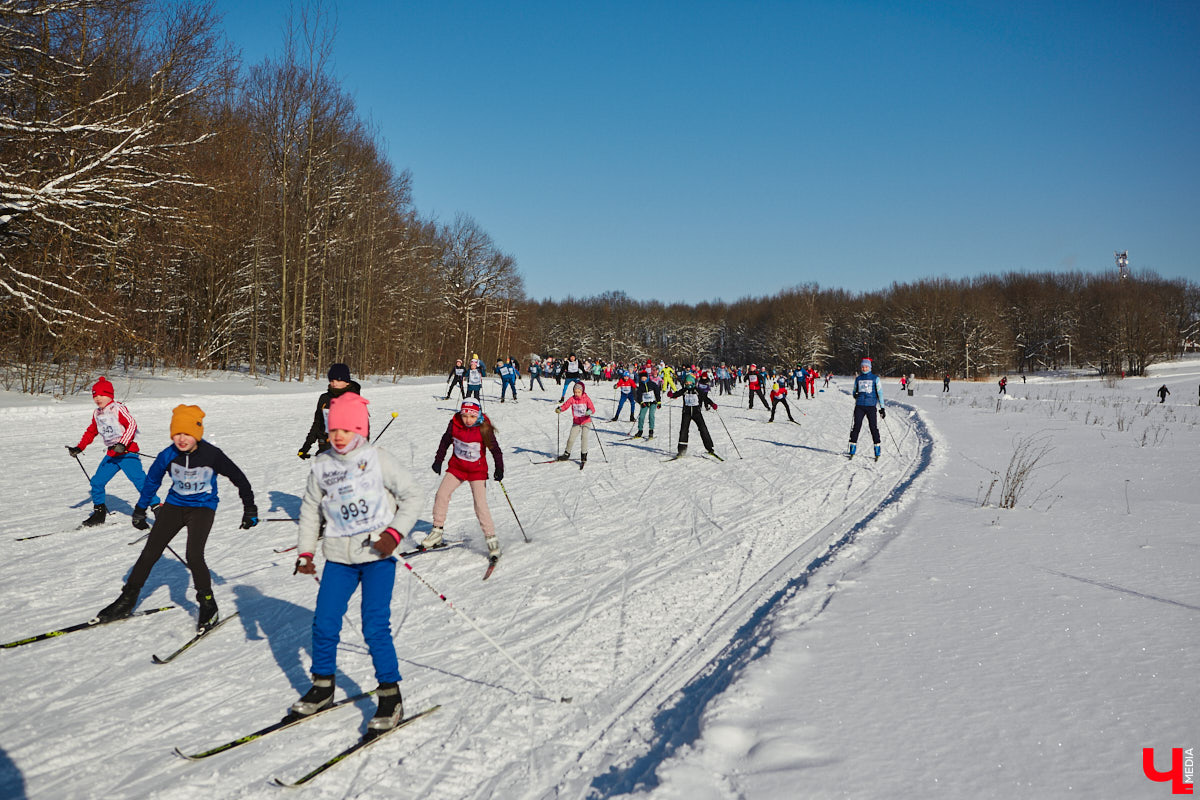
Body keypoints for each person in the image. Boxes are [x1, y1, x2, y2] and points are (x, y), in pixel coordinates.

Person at [289, 392, 420, 734]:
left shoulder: (378, 459)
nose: (338, 436)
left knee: (374, 626)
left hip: (377, 556)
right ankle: (322, 686)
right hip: (338, 558)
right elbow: (309, 510)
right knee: (324, 622)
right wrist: (305, 552)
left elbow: (412, 496)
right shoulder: (322, 465)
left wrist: (394, 534)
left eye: (345, 430)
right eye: (333, 430)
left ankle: (390, 695)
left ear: (359, 429)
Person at [96, 405, 258, 630]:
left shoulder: (212, 454)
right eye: (177, 433)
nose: (182, 439)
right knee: (150, 551)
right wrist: (141, 509)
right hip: (174, 506)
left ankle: (208, 604)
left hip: (202, 508)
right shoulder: (168, 454)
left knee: (194, 555)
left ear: (197, 433)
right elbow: (152, 481)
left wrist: (250, 509)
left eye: (187, 434)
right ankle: (127, 599)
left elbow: (239, 478)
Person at [68, 376, 160, 528]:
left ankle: (158, 509)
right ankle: (99, 514)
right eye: (95, 396)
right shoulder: (97, 413)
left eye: (101, 395)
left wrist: (123, 444)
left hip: (127, 453)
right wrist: (79, 447)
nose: (98, 398)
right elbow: (91, 431)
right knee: (97, 482)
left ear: (110, 395)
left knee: (140, 481)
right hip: (112, 455)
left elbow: (131, 425)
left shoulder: (118, 408)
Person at [426, 397, 504, 561]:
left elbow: (495, 450)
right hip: (457, 468)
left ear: (478, 415)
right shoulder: (454, 424)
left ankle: (491, 540)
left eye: (472, 416)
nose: (468, 420)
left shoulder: (483, 428)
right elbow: (445, 441)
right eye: (465, 416)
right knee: (441, 495)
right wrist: (438, 460)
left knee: (480, 504)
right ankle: (437, 531)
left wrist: (499, 468)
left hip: (477, 471)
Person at [299, 363, 363, 459]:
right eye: (332, 380)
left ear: (347, 382)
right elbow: (317, 424)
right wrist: (306, 446)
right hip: (325, 448)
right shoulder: (324, 399)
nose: (334, 383)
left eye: (338, 380)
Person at [668, 372, 718, 458]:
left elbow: (705, 398)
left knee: (703, 428)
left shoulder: (697, 390)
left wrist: (712, 404)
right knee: (684, 430)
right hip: (686, 413)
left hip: (696, 413)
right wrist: (672, 395)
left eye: (690, 382)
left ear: (693, 382)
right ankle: (681, 450)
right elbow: (677, 394)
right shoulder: (684, 390)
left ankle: (709, 448)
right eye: (687, 382)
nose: (688, 384)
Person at [849, 358, 885, 460]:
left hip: (871, 406)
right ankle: (852, 447)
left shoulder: (875, 379)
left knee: (873, 427)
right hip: (860, 406)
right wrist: (855, 394)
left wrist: (882, 408)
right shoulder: (858, 379)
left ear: (870, 367)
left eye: (866, 367)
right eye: (863, 367)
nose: (864, 368)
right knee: (856, 426)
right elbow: (854, 392)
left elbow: (880, 393)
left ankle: (877, 448)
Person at [555, 381, 595, 468]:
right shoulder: (572, 399)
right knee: (571, 438)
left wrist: (589, 411)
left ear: (582, 391)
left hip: (586, 421)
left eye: (578, 392)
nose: (576, 394)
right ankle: (566, 454)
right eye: (575, 392)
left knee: (584, 438)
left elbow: (592, 408)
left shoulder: (586, 399)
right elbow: (566, 405)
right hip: (576, 422)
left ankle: (584, 456)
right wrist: (560, 409)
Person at [633, 370, 661, 439]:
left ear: (647, 377)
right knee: (641, 416)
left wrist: (659, 402)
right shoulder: (640, 386)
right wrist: (641, 402)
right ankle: (640, 431)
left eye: (644, 378)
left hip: (653, 402)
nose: (643, 379)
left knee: (651, 415)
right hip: (644, 403)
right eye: (642, 378)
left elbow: (657, 392)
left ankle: (651, 431)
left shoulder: (652, 384)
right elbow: (639, 396)